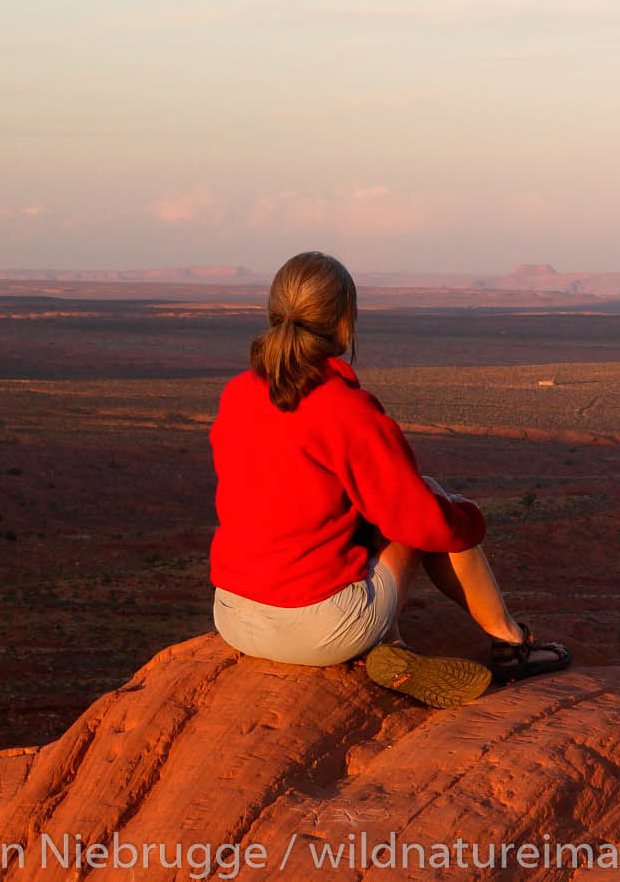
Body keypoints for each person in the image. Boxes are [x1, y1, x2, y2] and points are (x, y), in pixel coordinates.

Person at [208, 250, 569, 706]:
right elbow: (420, 523)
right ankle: (512, 645)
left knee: (361, 514)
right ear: (343, 321)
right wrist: (470, 521)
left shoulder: (238, 392)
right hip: (314, 628)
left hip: (233, 615)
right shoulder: (343, 407)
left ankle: (385, 648)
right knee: (428, 501)